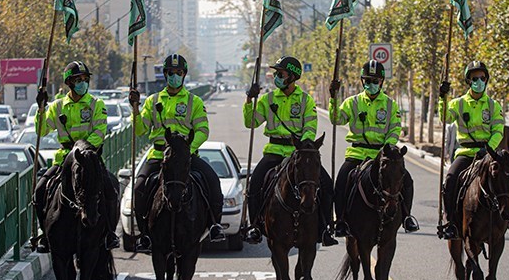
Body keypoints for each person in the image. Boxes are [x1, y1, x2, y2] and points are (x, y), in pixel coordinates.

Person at [129, 53, 225, 253]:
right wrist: (135, 109)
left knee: (213, 181)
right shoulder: (152, 101)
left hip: (187, 158)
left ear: (184, 75)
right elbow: (139, 130)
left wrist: (186, 151)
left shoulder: (194, 101)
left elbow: (202, 131)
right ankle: (144, 234)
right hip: (158, 156)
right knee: (138, 187)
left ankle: (215, 225)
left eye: (179, 73)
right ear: (165, 75)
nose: (175, 76)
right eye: (171, 73)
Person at [243, 56, 337, 247]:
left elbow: (311, 127)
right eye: (276, 73)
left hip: (299, 153)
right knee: (255, 183)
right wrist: (249, 100)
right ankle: (254, 227)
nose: (276, 76)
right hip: (274, 151)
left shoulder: (305, 100)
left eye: (280, 73)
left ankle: (326, 228)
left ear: (292, 76)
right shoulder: (268, 99)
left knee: (326, 185)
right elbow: (250, 122)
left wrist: (302, 146)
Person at [33, 60, 119, 253]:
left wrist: (85, 150)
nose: (83, 83)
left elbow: (99, 131)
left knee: (111, 190)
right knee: (39, 191)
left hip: (89, 158)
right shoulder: (57, 106)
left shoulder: (96, 104)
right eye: (78, 79)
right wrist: (40, 110)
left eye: (85, 79)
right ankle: (45, 236)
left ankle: (110, 234)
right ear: (69, 83)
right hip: (64, 159)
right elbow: (42, 131)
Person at [329, 59, 420, 238]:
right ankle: (340, 221)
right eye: (368, 81)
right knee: (340, 182)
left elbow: (395, 128)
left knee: (407, 180)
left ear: (382, 82)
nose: (371, 85)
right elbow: (336, 119)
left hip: (381, 155)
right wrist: (334, 98)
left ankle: (407, 217)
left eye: (375, 81)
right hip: (357, 154)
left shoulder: (390, 104)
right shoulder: (352, 102)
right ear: (363, 82)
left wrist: (388, 148)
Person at [437, 61, 509, 240]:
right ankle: (450, 222)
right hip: (466, 154)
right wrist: (442, 97)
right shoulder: (458, 103)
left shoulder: (494, 106)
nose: (479, 81)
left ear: (487, 80)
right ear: (469, 81)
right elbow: (445, 118)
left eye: (482, 78)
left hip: (488, 155)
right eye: (475, 78)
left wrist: (489, 150)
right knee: (451, 180)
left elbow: (498, 131)